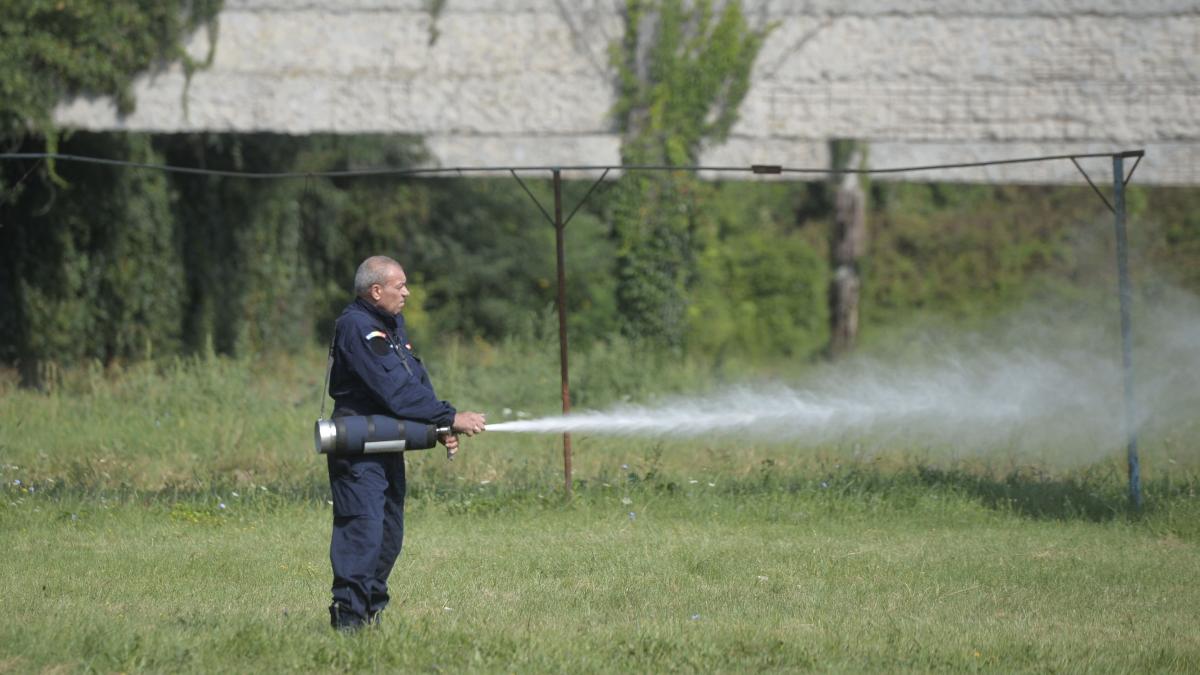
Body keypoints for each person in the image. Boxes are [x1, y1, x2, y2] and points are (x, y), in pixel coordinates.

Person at [325, 255, 486, 631]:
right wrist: (449, 416)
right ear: (375, 290)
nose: (407, 293)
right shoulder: (356, 326)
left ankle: (371, 613)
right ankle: (348, 620)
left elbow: (412, 380)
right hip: (358, 446)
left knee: (389, 534)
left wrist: (438, 425)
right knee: (363, 531)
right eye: (400, 286)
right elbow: (392, 389)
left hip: (388, 441)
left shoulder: (391, 324)